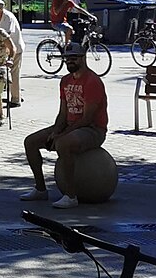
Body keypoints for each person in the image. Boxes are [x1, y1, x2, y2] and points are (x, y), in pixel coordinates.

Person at [21, 47, 109, 206]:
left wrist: (63, 135)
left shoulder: (92, 81)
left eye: (73, 58)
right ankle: (40, 189)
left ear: (83, 58)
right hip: (70, 126)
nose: (69, 61)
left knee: (63, 144)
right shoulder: (65, 81)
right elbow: (63, 113)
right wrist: (55, 131)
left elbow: (87, 118)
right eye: (67, 58)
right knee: (30, 142)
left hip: (93, 129)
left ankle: (71, 196)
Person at [0, 0, 24, 111]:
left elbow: (7, 33)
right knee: (3, 72)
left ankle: (15, 99)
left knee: (13, 73)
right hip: (4, 49)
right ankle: (15, 94)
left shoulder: (8, 17)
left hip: (15, 48)